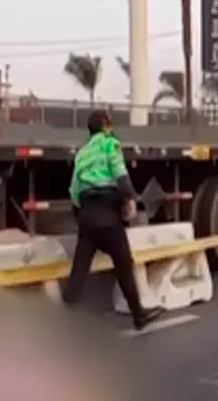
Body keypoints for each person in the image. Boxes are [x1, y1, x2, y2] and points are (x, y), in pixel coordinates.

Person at [61, 109, 163, 331]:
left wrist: (86, 212)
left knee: (79, 272)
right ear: (106, 126)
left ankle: (63, 320)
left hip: (88, 216)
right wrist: (130, 199)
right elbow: (120, 173)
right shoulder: (110, 144)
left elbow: (74, 192)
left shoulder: (82, 153)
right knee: (124, 264)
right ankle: (139, 316)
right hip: (108, 215)